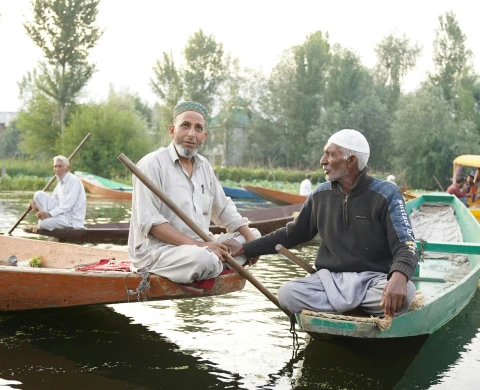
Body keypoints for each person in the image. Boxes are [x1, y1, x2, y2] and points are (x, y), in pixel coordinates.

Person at [227, 129, 418, 318]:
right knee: (287, 294)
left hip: (373, 281)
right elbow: (291, 234)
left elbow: (406, 245)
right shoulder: (320, 195)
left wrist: (399, 275)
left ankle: (336, 308)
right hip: (329, 282)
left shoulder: (386, 193)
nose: (322, 160)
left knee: (406, 293)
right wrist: (247, 249)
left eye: (329, 154)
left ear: (351, 161)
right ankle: (355, 310)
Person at [128, 101, 260, 285]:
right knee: (203, 259)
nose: (191, 134)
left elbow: (223, 211)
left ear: (204, 136)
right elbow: (152, 224)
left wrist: (253, 243)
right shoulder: (151, 164)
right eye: (185, 126)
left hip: (202, 246)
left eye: (198, 129)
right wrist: (201, 246)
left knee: (254, 234)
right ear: (172, 130)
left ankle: (208, 267)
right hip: (159, 250)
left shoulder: (204, 166)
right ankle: (216, 265)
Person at [29, 156, 86, 230]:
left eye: (60, 166)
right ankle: (45, 218)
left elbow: (67, 206)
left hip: (71, 220)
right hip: (61, 216)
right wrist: (37, 205)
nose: (57, 169)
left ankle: (46, 220)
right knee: (38, 194)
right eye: (55, 167)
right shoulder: (60, 183)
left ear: (68, 168)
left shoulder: (74, 180)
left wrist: (49, 214)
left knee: (42, 223)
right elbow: (53, 202)